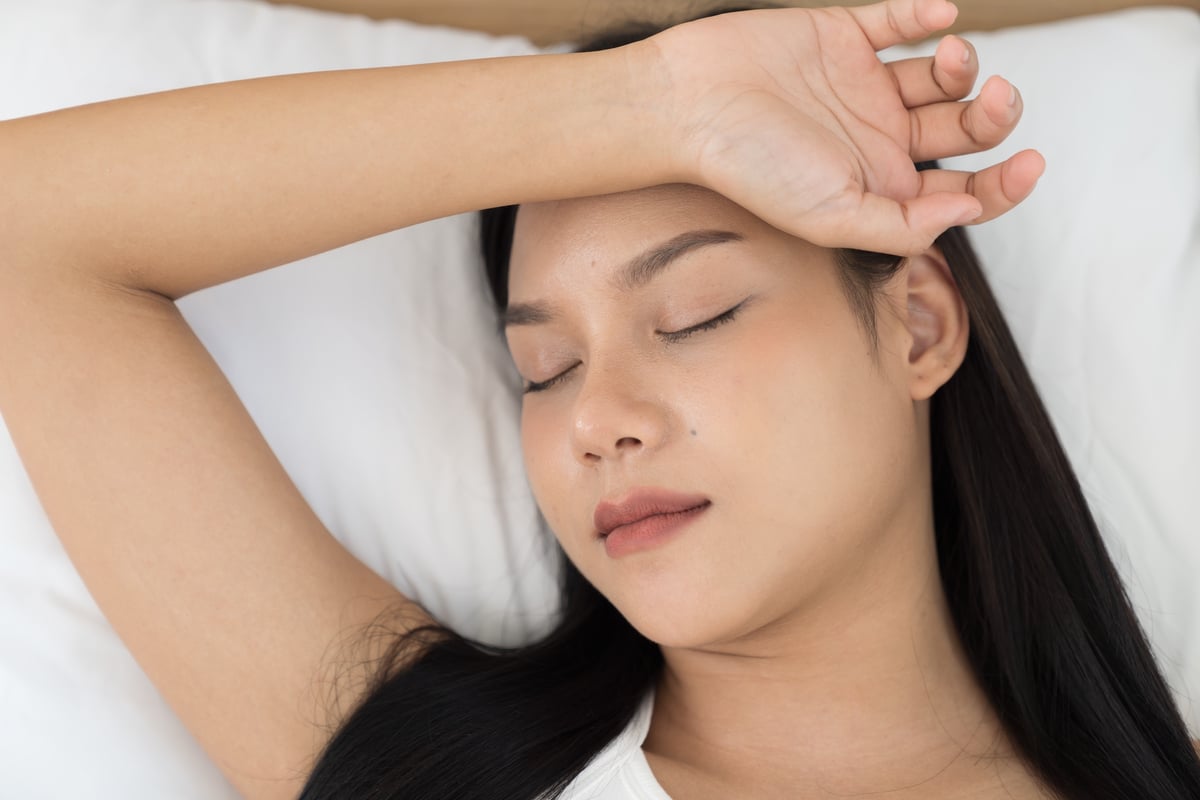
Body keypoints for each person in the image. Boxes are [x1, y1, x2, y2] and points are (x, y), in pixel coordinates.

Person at [0, 1, 1196, 799]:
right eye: (545, 369)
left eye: (692, 317)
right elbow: (26, 236)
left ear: (919, 322)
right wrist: (649, 106)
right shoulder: (455, 773)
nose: (594, 419)